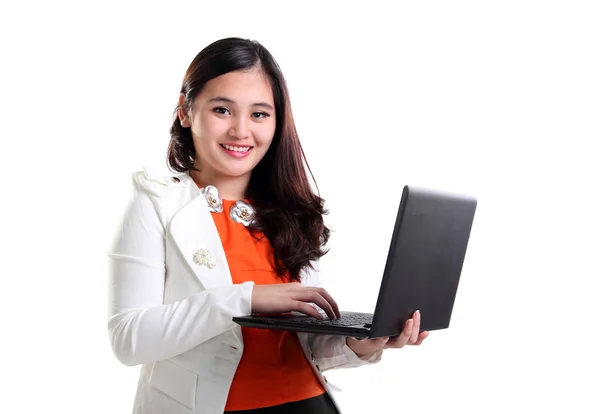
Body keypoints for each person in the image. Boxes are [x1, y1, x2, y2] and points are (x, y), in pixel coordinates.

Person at [107, 37, 428, 414]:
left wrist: (362, 343)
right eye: (222, 110)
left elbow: (307, 347)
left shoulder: (292, 211)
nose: (242, 131)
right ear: (185, 111)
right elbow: (128, 339)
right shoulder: (154, 203)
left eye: (259, 114)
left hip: (309, 405)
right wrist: (246, 299)